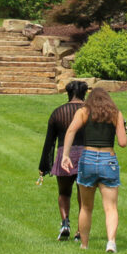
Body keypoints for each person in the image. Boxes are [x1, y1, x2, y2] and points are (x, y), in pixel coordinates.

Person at [60, 86, 127, 253]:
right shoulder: (116, 113)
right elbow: (123, 142)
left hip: (88, 158)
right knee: (110, 207)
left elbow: (71, 130)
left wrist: (65, 155)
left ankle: (84, 244)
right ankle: (111, 242)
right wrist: (123, 128)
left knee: (86, 207)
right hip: (108, 159)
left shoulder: (83, 112)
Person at [38, 80, 88, 241]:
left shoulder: (58, 112)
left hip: (63, 155)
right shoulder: (89, 111)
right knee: (83, 195)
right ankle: (81, 230)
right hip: (85, 155)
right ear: (84, 93)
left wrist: (44, 165)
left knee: (64, 192)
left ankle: (65, 222)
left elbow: (49, 141)